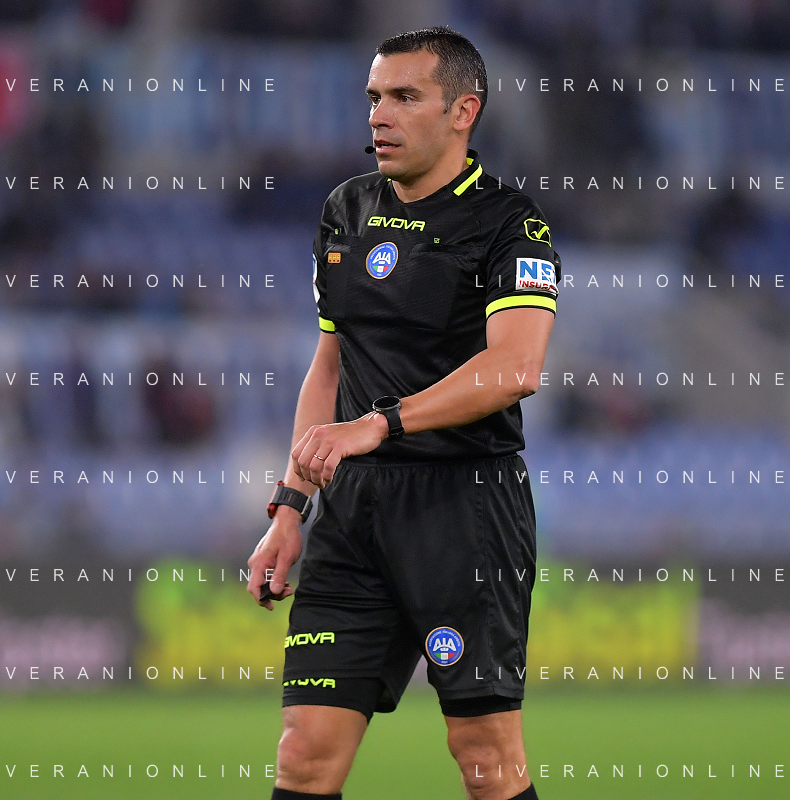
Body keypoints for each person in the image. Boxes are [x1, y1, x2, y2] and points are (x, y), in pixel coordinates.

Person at [248, 26, 560, 800]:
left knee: (482, 752)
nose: (378, 115)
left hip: (465, 510)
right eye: (374, 98)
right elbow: (329, 366)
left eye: (404, 97)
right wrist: (289, 506)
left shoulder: (510, 224)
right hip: (352, 515)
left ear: (463, 111)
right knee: (303, 750)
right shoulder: (345, 210)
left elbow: (515, 368)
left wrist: (378, 423)